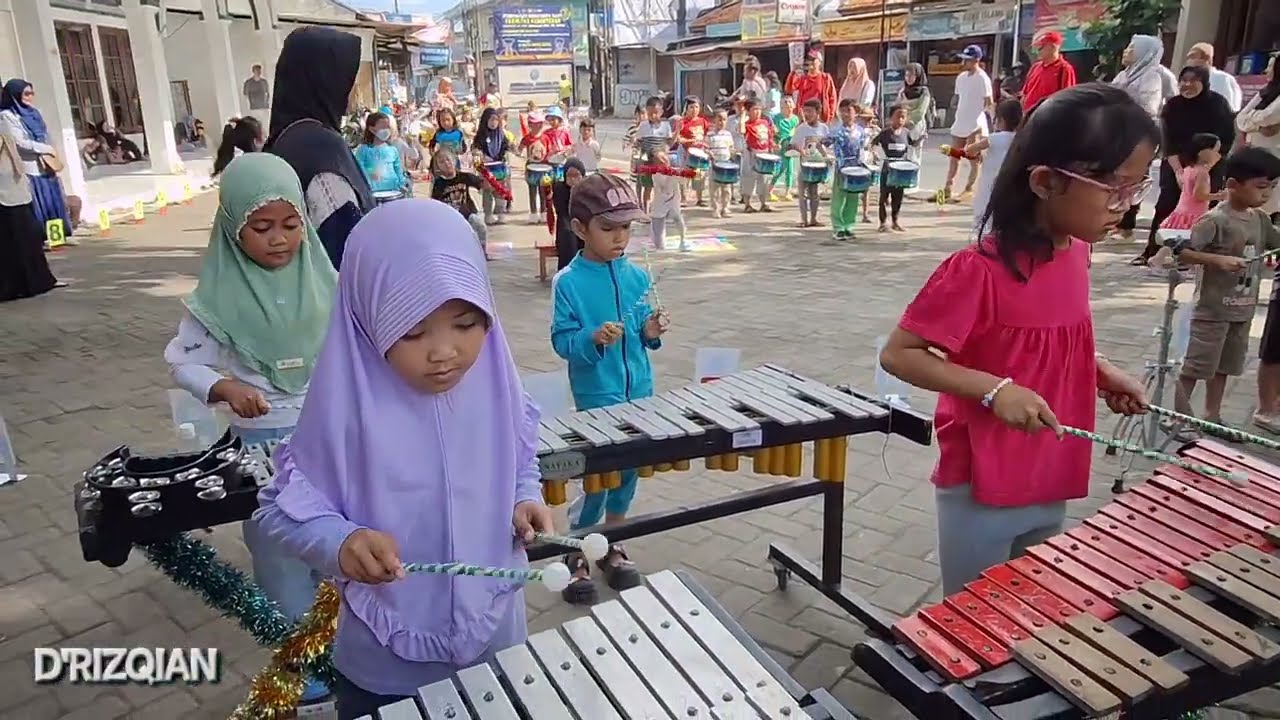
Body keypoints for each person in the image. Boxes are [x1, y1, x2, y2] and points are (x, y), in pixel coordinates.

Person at [252, 198, 555, 718]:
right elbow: (278, 510)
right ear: (366, 320)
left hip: (496, 640)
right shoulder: (344, 406)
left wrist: (524, 495)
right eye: (413, 331)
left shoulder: (493, 383)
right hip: (385, 667)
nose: (444, 352)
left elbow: (517, 451)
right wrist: (340, 541)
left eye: (465, 323)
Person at [878, 83, 1155, 594]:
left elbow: (1049, 339)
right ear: (1046, 181)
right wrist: (994, 390)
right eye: (1115, 187)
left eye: (1137, 188)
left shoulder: (1076, 253)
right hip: (984, 480)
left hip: (1052, 465)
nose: (1127, 205)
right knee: (972, 619)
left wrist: (1098, 370)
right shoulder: (977, 270)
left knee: (1026, 606)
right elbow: (900, 355)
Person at [166, 153, 337, 706]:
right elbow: (184, 362)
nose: (279, 240)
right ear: (231, 224)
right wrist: (223, 389)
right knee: (281, 557)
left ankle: (346, 651)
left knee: (335, 550)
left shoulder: (324, 279)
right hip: (260, 447)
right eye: (260, 228)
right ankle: (304, 676)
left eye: (291, 225)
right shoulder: (215, 299)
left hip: (328, 443)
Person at [550, 173, 667, 604]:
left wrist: (650, 331)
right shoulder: (569, 283)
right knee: (596, 478)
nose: (620, 238)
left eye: (626, 228)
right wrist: (592, 339)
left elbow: (643, 337)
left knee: (628, 473)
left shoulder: (637, 278)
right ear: (579, 228)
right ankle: (578, 550)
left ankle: (614, 540)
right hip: (598, 396)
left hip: (641, 391)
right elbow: (563, 342)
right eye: (608, 228)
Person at [1175, 147, 1280, 434]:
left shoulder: (1259, 219)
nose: (1267, 194)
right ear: (1233, 185)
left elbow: (1275, 242)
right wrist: (1217, 260)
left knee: (1224, 367)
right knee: (1196, 367)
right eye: (1261, 187)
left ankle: (1212, 415)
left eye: (1272, 187)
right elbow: (1182, 252)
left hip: (1242, 310)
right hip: (1212, 310)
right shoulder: (1216, 219)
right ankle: (1178, 418)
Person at [267, 27, 374, 270]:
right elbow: (345, 243)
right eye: (345, 77)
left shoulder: (286, 137)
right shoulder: (319, 147)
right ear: (324, 79)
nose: (351, 88)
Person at [1134, 65, 1237, 264]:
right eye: (1184, 80)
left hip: (1211, 163)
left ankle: (1197, 257)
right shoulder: (1173, 105)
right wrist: (1180, 172)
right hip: (1176, 163)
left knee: (1204, 211)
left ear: (1204, 83)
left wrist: (1204, 169)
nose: (1187, 85)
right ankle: (1152, 252)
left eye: (1193, 80)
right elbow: (1167, 141)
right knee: (1167, 206)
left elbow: (1226, 140)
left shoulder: (1218, 104)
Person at [1112, 35, 1169, 241]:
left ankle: (1127, 225)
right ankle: (1115, 221)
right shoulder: (1123, 75)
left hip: (1138, 136)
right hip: (1119, 133)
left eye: (1132, 48)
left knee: (1132, 180)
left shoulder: (1150, 76)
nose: (1127, 51)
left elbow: (1148, 108)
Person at [0, 79, 72, 243]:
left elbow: (46, 134)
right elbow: (18, 142)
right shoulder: (7, 116)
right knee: (38, 203)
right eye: (26, 93)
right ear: (14, 95)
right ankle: (41, 238)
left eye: (32, 93)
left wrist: (52, 151)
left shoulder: (33, 112)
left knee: (52, 201)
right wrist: (45, 149)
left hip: (45, 165)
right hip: (29, 167)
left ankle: (58, 236)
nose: (30, 97)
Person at [0, 132, 59, 302]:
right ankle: (11, 286)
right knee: (9, 243)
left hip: (14, 185)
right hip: (4, 193)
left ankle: (36, 281)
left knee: (27, 238)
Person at [944, 46, 994, 203]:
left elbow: (989, 102)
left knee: (973, 157)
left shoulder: (983, 78)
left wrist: (990, 122)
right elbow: (959, 97)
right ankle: (947, 189)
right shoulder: (961, 78)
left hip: (975, 123)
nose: (964, 62)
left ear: (976, 60)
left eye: (967, 59)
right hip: (960, 122)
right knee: (954, 156)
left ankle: (969, 189)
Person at [966, 99, 1024, 234]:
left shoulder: (994, 138)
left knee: (984, 215)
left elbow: (970, 150)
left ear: (1001, 120)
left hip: (989, 184)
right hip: (1010, 185)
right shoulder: (1020, 138)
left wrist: (974, 135)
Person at [1236, 57, 1280, 222]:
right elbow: (1241, 119)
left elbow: (1269, 116)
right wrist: (1258, 126)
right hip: (1255, 157)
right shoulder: (1266, 91)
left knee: (1268, 209)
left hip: (1274, 159)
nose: (1266, 71)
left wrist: (1252, 120)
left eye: (1271, 67)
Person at [1158, 132, 1223, 233]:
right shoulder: (1202, 173)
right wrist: (1220, 196)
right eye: (1215, 151)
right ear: (1203, 152)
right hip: (1194, 216)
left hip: (1181, 213)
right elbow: (1199, 195)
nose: (1218, 155)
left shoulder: (1189, 169)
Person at [430, 149, 489, 257]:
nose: (446, 164)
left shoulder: (464, 176)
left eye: (448, 160)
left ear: (453, 160)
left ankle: (482, 252)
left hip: (467, 211)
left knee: (481, 227)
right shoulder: (438, 184)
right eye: (441, 162)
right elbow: (435, 204)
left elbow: (483, 185)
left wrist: (486, 175)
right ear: (437, 166)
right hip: (449, 216)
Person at [874, 104, 921, 234]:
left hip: (901, 170)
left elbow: (913, 144)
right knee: (884, 197)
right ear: (891, 118)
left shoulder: (906, 133)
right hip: (887, 169)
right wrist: (874, 154)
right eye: (897, 117)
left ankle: (895, 221)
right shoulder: (885, 134)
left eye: (903, 117)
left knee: (898, 197)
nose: (900, 120)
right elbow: (873, 144)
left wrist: (921, 138)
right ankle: (883, 223)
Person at [829, 98, 867, 240]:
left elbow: (863, 148)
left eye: (848, 111)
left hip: (856, 168)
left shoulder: (860, 131)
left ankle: (849, 226)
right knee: (839, 199)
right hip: (841, 168)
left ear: (855, 113)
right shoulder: (836, 131)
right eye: (842, 111)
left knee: (853, 198)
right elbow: (823, 142)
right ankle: (838, 227)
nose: (845, 114)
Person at [791, 98, 831, 228]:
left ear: (818, 112)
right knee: (802, 193)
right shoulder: (801, 128)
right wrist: (800, 150)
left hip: (818, 165)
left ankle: (813, 219)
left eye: (810, 111)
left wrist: (827, 158)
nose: (806, 114)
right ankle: (804, 219)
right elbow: (793, 144)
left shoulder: (824, 129)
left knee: (814, 193)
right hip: (804, 165)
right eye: (805, 111)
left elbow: (826, 146)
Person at [473, 107, 511, 225]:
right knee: (488, 192)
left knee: (500, 191)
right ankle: (488, 214)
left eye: (496, 120)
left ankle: (500, 213)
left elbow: (507, 147)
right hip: (486, 169)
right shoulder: (480, 136)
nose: (494, 123)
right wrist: (479, 155)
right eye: (491, 120)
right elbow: (475, 149)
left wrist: (506, 154)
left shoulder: (501, 135)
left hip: (499, 168)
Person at [355, 112, 408, 196]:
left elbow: (398, 171)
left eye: (388, 127)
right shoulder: (363, 150)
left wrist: (403, 184)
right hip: (373, 194)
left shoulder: (392, 150)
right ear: (372, 129)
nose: (386, 130)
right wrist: (370, 183)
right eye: (383, 127)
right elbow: (361, 170)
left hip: (393, 192)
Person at [1020, 32, 1077, 110]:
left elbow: (1067, 98)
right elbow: (1025, 93)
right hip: (1029, 115)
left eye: (1041, 47)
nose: (1038, 51)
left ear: (1053, 47)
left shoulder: (1064, 69)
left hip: (1048, 115)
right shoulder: (1035, 67)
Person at [635, 97, 673, 213]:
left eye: (656, 113)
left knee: (663, 188)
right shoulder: (643, 126)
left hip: (661, 162)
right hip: (646, 161)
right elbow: (639, 143)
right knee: (647, 187)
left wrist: (664, 155)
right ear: (646, 111)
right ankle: (646, 211)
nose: (653, 116)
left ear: (661, 111)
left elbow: (669, 143)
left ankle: (663, 210)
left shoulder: (666, 126)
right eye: (650, 113)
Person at [646, 147, 687, 252]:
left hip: (673, 201)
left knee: (678, 219)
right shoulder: (656, 175)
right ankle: (659, 243)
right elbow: (665, 190)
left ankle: (683, 241)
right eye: (660, 161)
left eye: (665, 158)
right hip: (660, 202)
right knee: (658, 237)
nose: (664, 162)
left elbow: (683, 181)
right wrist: (672, 176)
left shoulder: (674, 171)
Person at [548, 157, 587, 269]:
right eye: (570, 175)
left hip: (584, 223)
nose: (573, 179)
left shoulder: (588, 188)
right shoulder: (559, 188)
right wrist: (572, 192)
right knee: (568, 235)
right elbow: (562, 212)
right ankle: (568, 271)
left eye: (576, 175)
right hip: (566, 224)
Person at [740, 98, 776, 214]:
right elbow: (741, 130)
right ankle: (747, 204)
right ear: (748, 111)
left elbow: (769, 137)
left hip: (764, 153)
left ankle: (764, 203)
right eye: (754, 109)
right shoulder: (747, 124)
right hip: (751, 154)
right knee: (749, 178)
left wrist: (773, 146)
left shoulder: (765, 123)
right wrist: (743, 116)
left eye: (759, 109)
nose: (757, 112)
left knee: (764, 179)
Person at [1187, 43, 1243, 112]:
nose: (1190, 61)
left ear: (1207, 59)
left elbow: (1229, 108)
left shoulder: (1222, 79)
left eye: (1193, 57)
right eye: (1189, 58)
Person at [673, 96, 708, 206]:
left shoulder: (703, 121)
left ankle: (699, 198)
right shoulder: (681, 122)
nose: (694, 110)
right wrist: (689, 141)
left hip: (699, 153)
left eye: (697, 107)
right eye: (691, 107)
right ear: (686, 109)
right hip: (685, 152)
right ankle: (683, 198)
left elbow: (706, 135)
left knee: (699, 175)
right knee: (684, 176)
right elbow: (678, 138)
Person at [787, 52, 838, 123]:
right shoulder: (803, 78)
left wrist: (830, 114)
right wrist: (793, 72)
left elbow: (832, 97)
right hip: (804, 116)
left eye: (813, 60)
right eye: (809, 60)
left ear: (819, 62)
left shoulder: (825, 78)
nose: (810, 62)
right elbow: (789, 89)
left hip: (819, 116)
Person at [897, 63, 933, 163]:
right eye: (906, 75)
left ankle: (914, 178)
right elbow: (897, 107)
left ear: (918, 76)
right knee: (902, 154)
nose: (908, 78)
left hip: (916, 126)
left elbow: (920, 112)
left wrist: (908, 121)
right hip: (902, 125)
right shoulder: (903, 91)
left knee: (914, 156)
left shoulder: (924, 92)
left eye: (911, 75)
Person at [705, 109, 736, 218]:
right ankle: (715, 208)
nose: (722, 122)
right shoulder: (710, 135)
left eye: (724, 120)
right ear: (714, 120)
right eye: (719, 120)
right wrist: (709, 153)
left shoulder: (728, 134)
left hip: (726, 164)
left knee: (726, 188)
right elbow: (706, 148)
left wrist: (733, 154)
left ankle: (726, 208)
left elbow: (731, 148)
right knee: (714, 188)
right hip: (714, 165)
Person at [519, 111, 549, 223]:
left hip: (544, 168)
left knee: (543, 192)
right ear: (530, 125)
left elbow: (549, 151)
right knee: (532, 191)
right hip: (531, 167)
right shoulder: (527, 138)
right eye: (535, 124)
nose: (538, 126)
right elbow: (520, 149)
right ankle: (533, 213)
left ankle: (543, 212)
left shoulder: (545, 138)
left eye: (540, 124)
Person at [769, 96, 799, 201]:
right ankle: (769, 190)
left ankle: (787, 191)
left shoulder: (795, 119)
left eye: (790, 102)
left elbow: (796, 132)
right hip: (779, 146)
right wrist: (774, 143)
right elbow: (772, 133)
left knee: (790, 169)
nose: (787, 104)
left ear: (794, 105)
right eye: (785, 103)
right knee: (779, 169)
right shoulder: (776, 118)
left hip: (790, 146)